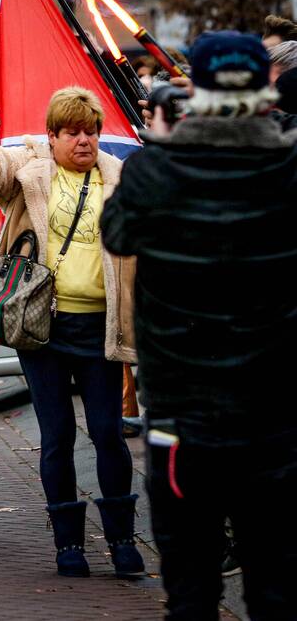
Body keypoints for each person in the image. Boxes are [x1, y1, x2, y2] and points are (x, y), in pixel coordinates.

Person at [101, 31, 297, 619]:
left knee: (190, 590)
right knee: (277, 587)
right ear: (265, 89)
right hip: (275, 416)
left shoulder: (156, 172)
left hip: (183, 418)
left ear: (198, 92)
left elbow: (117, 234)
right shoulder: (288, 167)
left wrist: (162, 145)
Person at [0, 83, 143, 579]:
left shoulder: (121, 178)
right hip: (43, 328)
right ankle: (69, 545)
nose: (83, 141)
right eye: (72, 133)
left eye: (91, 132)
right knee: (57, 435)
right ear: (53, 136)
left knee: (108, 433)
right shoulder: (30, 171)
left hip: (102, 328)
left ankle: (123, 541)